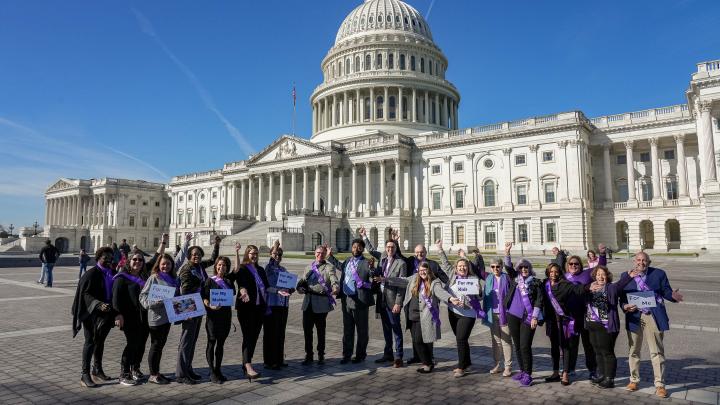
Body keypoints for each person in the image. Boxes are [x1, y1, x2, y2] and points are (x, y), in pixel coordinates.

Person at [620, 251, 683, 398]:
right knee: (633, 350)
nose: (641, 262)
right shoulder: (626, 275)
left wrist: (672, 296)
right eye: (638, 260)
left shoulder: (659, 274)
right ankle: (634, 380)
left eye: (644, 260)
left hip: (653, 316)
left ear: (649, 262)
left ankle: (660, 385)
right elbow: (621, 297)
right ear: (634, 261)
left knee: (657, 352)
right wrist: (624, 306)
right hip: (634, 317)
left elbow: (666, 291)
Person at [388, 262, 461, 373]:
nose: (422, 272)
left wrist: (450, 298)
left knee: (420, 341)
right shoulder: (414, 278)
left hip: (425, 316)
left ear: (429, 271)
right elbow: (402, 280)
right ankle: (427, 362)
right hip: (412, 315)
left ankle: (428, 363)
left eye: (424, 270)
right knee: (417, 341)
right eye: (420, 270)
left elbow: (440, 292)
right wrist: (386, 279)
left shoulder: (434, 282)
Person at [72, 246, 121, 388]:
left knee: (100, 341)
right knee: (90, 342)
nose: (109, 260)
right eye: (105, 257)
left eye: (111, 258)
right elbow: (85, 294)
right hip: (91, 313)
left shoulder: (112, 272)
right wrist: (98, 304)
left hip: (106, 314)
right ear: (98, 258)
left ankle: (97, 369)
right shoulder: (91, 274)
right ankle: (84, 374)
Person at [175, 235, 220, 384]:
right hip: (190, 306)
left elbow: (213, 260)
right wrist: (187, 312)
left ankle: (188, 368)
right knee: (186, 340)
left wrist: (216, 245)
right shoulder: (186, 269)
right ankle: (181, 374)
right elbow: (185, 291)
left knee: (192, 340)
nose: (197, 256)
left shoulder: (199, 267)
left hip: (198, 306)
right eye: (194, 254)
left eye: (199, 255)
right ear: (189, 256)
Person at [437, 241, 485, 377]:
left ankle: (461, 367)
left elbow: (480, 294)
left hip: (468, 314)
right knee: (460, 338)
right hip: (453, 312)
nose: (462, 268)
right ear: (456, 268)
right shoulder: (452, 275)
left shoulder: (473, 278)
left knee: (461, 339)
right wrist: (440, 249)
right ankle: (467, 362)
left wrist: (474, 295)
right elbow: (445, 264)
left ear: (467, 267)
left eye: (464, 266)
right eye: (460, 266)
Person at [585, 265, 637, 389]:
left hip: (606, 325)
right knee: (597, 351)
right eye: (598, 274)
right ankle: (601, 374)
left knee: (607, 351)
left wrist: (629, 276)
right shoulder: (591, 287)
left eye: (603, 274)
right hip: (592, 324)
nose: (600, 277)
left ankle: (610, 378)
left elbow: (620, 285)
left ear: (607, 276)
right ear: (594, 276)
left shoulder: (611, 287)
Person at [327, 238, 375, 364]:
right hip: (346, 299)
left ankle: (360, 355)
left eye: (359, 247)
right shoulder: (348, 260)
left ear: (362, 249)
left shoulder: (366, 262)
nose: (356, 249)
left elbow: (372, 276)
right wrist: (330, 256)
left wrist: (372, 268)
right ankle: (346, 355)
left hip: (360, 301)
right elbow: (340, 266)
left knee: (362, 330)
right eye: (354, 247)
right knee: (347, 329)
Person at [503, 242, 543, 386]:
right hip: (512, 315)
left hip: (528, 317)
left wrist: (534, 317)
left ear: (530, 269)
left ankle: (528, 374)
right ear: (518, 269)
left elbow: (539, 300)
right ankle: (522, 370)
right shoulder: (515, 279)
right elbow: (508, 268)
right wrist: (507, 253)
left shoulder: (536, 282)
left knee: (525, 346)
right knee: (518, 345)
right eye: (521, 267)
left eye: (526, 267)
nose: (524, 269)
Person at [366, 236, 408, 368]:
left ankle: (399, 356)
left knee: (396, 328)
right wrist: (372, 269)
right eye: (388, 247)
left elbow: (403, 283)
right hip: (382, 299)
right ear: (385, 248)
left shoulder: (401, 263)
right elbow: (377, 274)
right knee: (386, 328)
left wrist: (398, 303)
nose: (390, 249)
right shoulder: (382, 260)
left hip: (393, 300)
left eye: (392, 247)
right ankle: (388, 353)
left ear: (396, 249)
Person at [230, 244, 268, 380]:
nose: (254, 255)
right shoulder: (244, 268)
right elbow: (239, 280)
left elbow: (266, 287)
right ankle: (248, 365)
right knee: (248, 336)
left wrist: (279, 291)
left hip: (259, 308)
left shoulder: (261, 270)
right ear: (247, 254)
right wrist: (243, 291)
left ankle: (246, 364)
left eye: (256, 253)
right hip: (246, 308)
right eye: (252, 253)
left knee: (254, 337)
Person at [139, 253, 178, 384]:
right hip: (156, 317)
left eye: (168, 263)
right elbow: (142, 296)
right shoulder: (154, 278)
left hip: (168, 317)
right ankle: (153, 374)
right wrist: (151, 304)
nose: (165, 266)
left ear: (171, 265)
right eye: (163, 264)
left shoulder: (173, 278)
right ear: (158, 265)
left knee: (160, 346)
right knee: (155, 346)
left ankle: (157, 371)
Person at [297, 245, 339, 365]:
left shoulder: (329, 267)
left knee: (321, 331)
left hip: (321, 303)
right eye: (318, 253)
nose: (320, 255)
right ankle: (309, 355)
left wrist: (335, 288)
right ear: (314, 253)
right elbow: (302, 282)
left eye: (322, 253)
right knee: (307, 331)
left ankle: (321, 354)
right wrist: (300, 289)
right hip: (308, 302)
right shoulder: (308, 267)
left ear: (325, 254)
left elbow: (334, 280)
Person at [112, 252, 149, 386]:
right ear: (129, 261)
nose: (138, 262)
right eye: (135, 259)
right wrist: (117, 314)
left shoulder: (144, 276)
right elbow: (115, 298)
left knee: (141, 343)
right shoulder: (121, 278)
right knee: (132, 343)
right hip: (129, 317)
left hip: (144, 316)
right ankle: (124, 373)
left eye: (140, 260)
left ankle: (135, 368)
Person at [202, 255, 235, 384]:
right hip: (213, 317)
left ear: (227, 267)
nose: (221, 267)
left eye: (224, 265)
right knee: (211, 342)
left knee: (221, 344)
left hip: (225, 317)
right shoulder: (210, 281)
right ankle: (211, 372)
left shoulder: (228, 282)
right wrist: (210, 305)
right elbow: (204, 297)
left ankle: (218, 369)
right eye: (219, 264)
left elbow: (231, 295)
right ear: (216, 266)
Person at [263, 241, 294, 370]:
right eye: (276, 254)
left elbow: (289, 285)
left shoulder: (283, 269)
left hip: (283, 304)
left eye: (280, 255)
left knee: (280, 333)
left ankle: (279, 359)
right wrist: (276, 247)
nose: (278, 257)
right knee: (270, 333)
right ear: (271, 254)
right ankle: (270, 361)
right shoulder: (268, 268)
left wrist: (291, 289)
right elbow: (266, 286)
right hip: (271, 304)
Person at [482, 255, 513, 377]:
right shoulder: (489, 278)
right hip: (492, 313)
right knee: (496, 341)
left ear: (501, 267)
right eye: (493, 267)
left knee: (506, 340)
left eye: (498, 266)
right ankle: (497, 364)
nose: (495, 269)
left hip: (505, 313)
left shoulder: (507, 278)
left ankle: (508, 366)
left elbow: (510, 268)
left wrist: (507, 254)